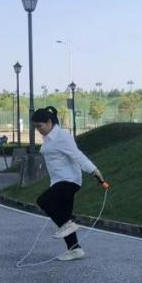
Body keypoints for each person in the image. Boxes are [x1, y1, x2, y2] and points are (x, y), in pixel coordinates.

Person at [31, 106, 104, 262]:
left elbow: (78, 155)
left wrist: (94, 171)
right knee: (64, 215)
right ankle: (75, 249)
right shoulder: (49, 137)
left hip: (69, 180)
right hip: (58, 181)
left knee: (43, 201)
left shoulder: (62, 137)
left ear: (49, 122)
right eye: (36, 127)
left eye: (40, 126)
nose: (38, 130)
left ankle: (68, 225)